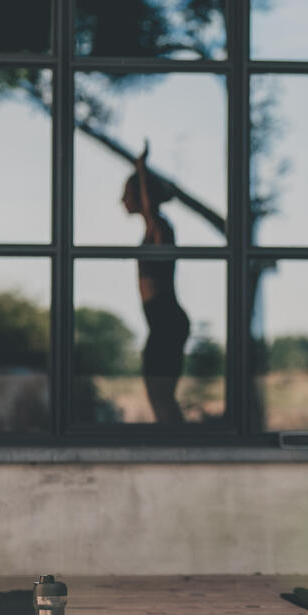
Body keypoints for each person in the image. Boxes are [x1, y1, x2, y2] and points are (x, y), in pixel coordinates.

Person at [122, 141, 194, 427]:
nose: (122, 201)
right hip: (161, 321)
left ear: (142, 196)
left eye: (126, 194)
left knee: (160, 396)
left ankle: (178, 449)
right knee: (159, 396)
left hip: (166, 320)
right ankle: (176, 445)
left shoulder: (160, 228)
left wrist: (141, 171)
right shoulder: (153, 229)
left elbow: (151, 211)